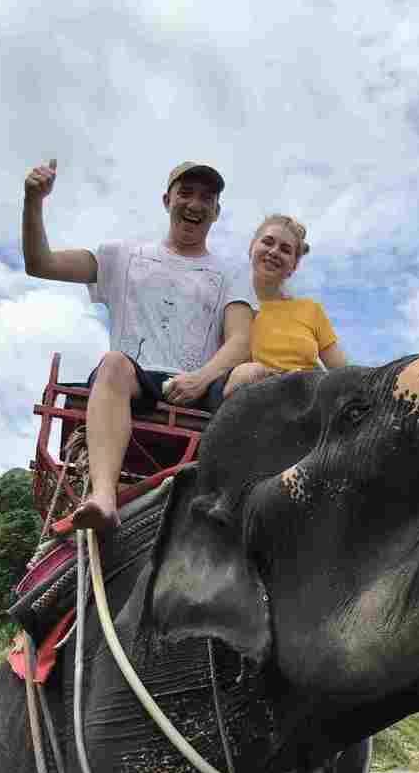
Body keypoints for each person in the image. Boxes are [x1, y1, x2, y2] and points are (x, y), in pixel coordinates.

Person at [21, 157, 253, 532]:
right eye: (186, 193)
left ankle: (241, 504)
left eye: (206, 198)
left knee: (252, 375)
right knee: (113, 362)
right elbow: (40, 263)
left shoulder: (230, 272)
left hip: (200, 381)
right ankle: (104, 498)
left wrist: (200, 377)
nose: (195, 204)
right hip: (136, 377)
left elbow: (241, 339)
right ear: (167, 200)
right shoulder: (123, 255)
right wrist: (33, 201)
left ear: (216, 212)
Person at [223, 214, 346, 398]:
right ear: (251, 247)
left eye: (285, 250)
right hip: (253, 401)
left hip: (306, 398)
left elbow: (342, 371)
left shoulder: (310, 310)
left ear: (294, 266)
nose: (274, 252)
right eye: (268, 242)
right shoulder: (231, 305)